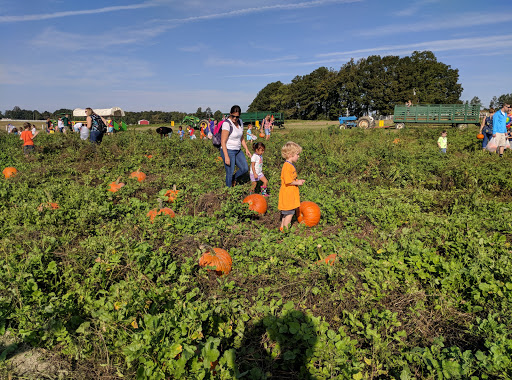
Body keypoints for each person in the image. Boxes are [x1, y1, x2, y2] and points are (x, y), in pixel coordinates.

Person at [220, 105, 251, 187]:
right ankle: (228, 192)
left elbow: (242, 137)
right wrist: (226, 156)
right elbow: (223, 142)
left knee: (244, 168)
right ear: (230, 114)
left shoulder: (240, 122)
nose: (235, 118)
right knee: (230, 172)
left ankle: (234, 178)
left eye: (237, 116)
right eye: (233, 116)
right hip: (228, 150)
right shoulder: (227, 124)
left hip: (238, 150)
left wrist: (247, 149)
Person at [278, 141, 305, 230]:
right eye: (297, 154)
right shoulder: (287, 166)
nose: (298, 156)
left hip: (289, 194)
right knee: (289, 214)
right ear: (290, 154)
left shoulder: (289, 165)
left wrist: (297, 181)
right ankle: (285, 231)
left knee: (285, 214)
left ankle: (282, 229)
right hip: (288, 195)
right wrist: (298, 182)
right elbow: (288, 181)